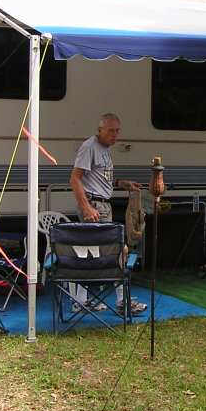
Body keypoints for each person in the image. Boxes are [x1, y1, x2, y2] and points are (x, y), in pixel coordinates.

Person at [69, 113, 147, 315]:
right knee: (119, 249)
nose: (115, 135)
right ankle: (122, 301)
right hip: (95, 206)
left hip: (103, 205)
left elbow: (99, 178)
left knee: (92, 252)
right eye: (111, 131)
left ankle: (81, 301)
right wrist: (86, 207)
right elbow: (75, 179)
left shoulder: (104, 149)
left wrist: (121, 183)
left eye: (117, 131)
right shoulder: (89, 146)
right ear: (100, 130)